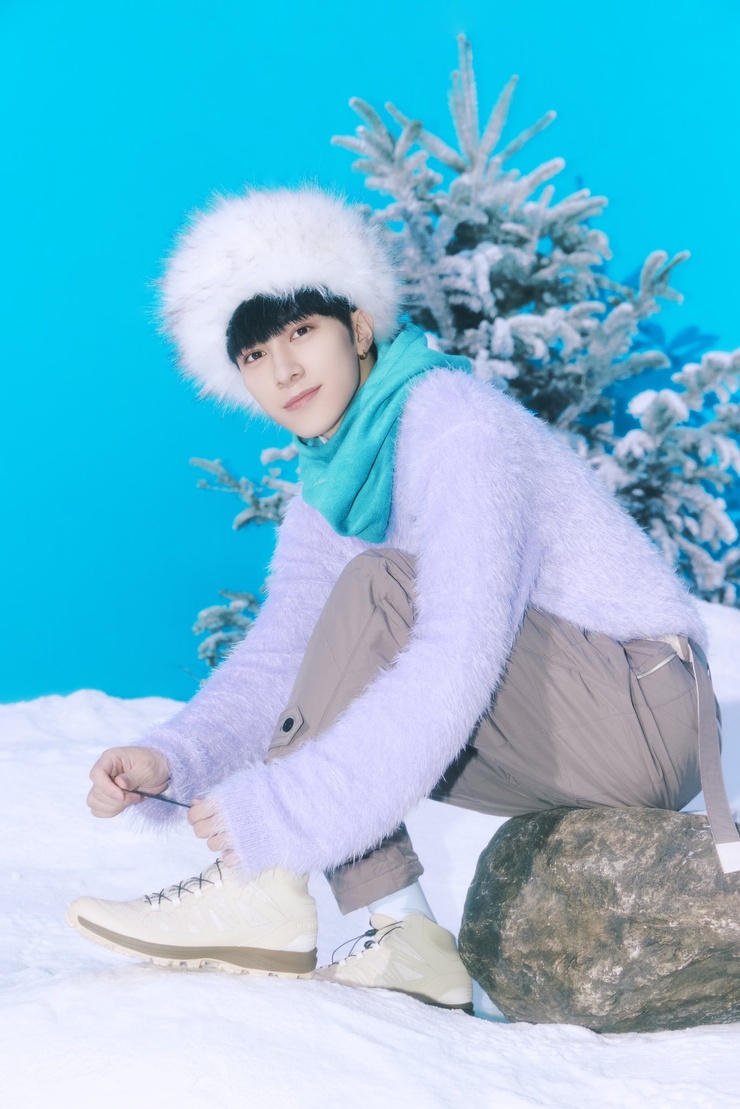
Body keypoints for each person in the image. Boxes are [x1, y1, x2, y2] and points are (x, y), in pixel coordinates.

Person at [67, 185, 737, 1014]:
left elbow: (458, 648)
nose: (283, 370)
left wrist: (282, 816)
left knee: (377, 589)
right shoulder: (331, 489)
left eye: (300, 331)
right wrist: (174, 758)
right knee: (348, 633)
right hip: (560, 721)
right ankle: (406, 931)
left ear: (357, 328)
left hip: (644, 706)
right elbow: (285, 657)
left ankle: (263, 889)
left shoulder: (453, 423)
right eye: (254, 355)